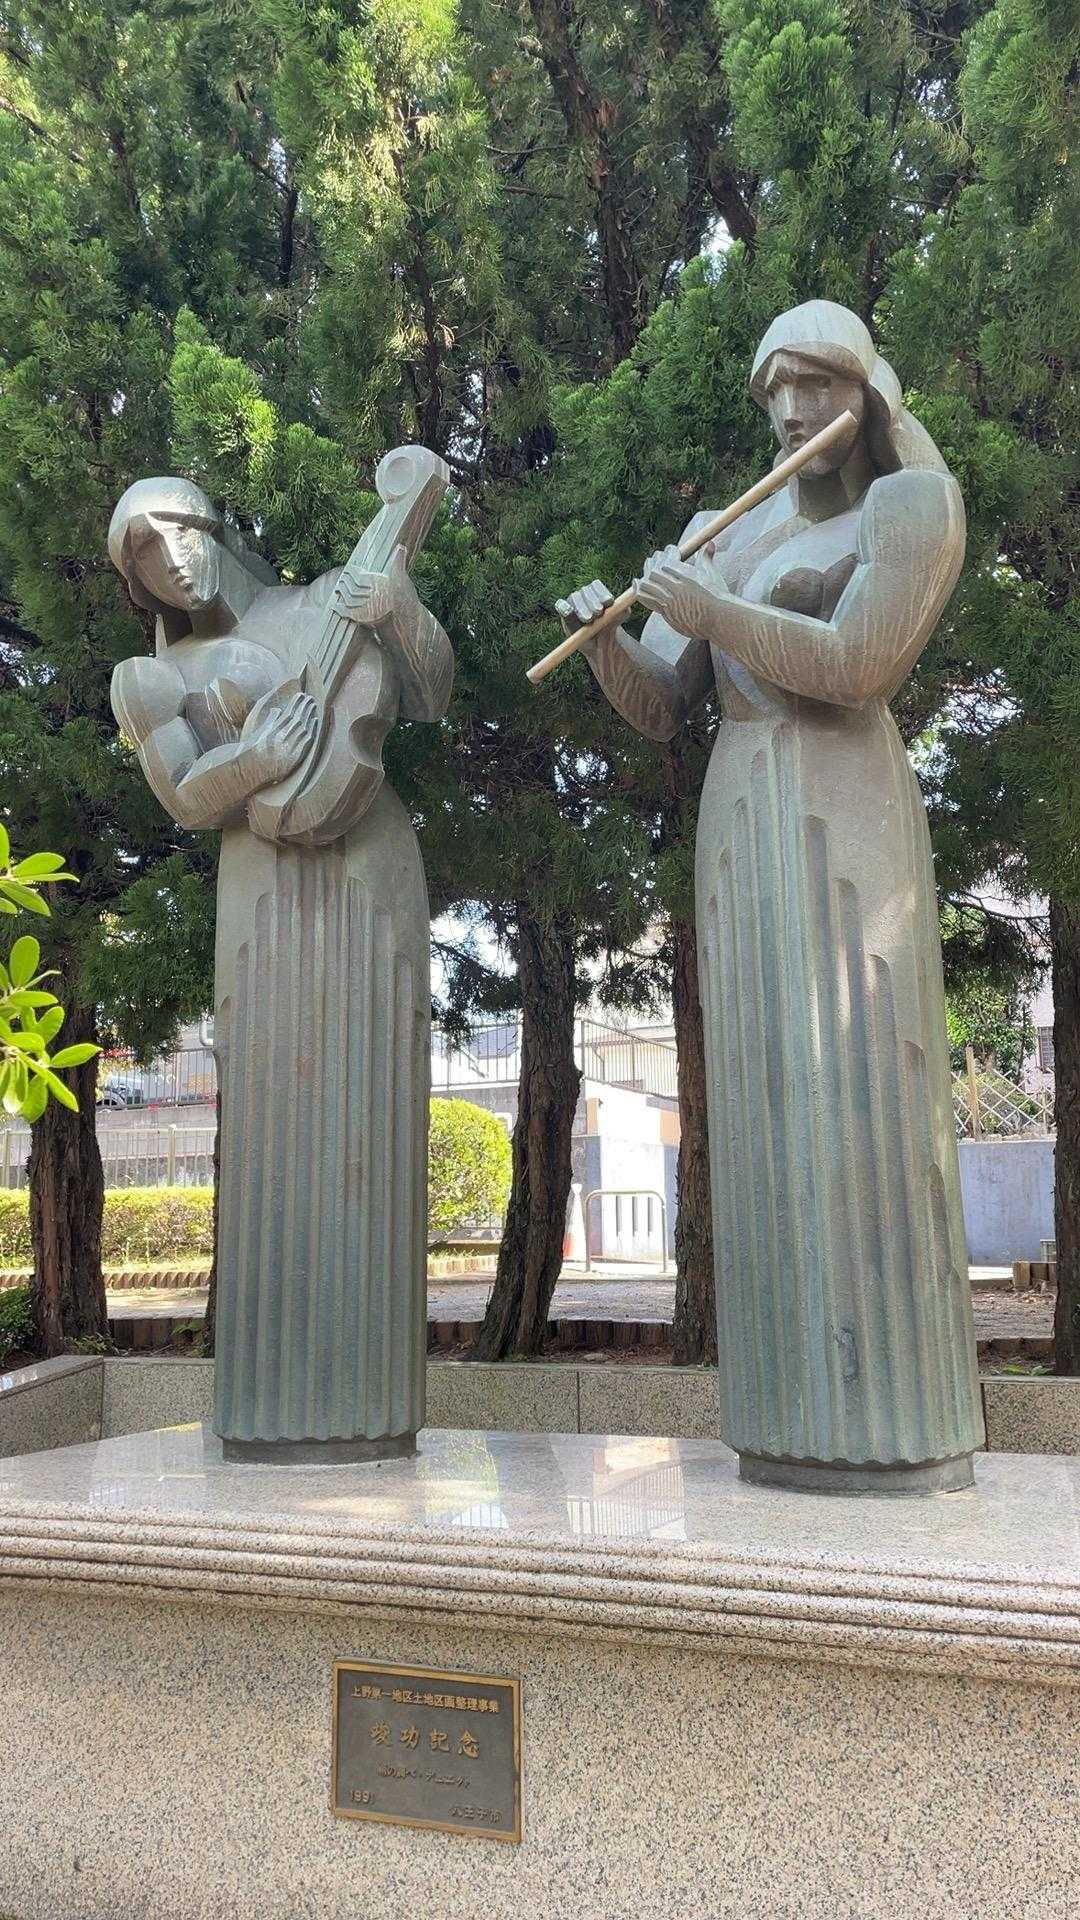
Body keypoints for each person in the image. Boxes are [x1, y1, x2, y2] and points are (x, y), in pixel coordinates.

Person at [558, 299, 982, 1491]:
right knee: (761, 1099)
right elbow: (667, 704)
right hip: (740, 810)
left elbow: (859, 664)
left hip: (841, 806)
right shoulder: (729, 527)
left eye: (818, 383)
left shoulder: (911, 504)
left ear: (865, 390)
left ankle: (885, 1422)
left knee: (860, 1081)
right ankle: (783, 1417)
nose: (795, 411)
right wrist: (608, 644)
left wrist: (711, 610)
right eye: (777, 389)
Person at [109, 460, 452, 1461]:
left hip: (371, 864)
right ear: (136, 582)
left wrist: (400, 611)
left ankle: (375, 1407)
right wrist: (256, 761)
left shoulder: (322, 601)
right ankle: (273, 1403)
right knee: (272, 1109)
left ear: (214, 529)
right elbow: (185, 796)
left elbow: (430, 690)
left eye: (180, 531)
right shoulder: (150, 678)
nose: (173, 560)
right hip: (258, 889)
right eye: (145, 554)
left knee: (378, 1105)